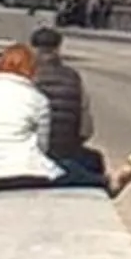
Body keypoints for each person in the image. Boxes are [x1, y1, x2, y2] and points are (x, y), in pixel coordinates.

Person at [0, 43, 131, 259]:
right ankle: (106, 182)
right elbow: (42, 147)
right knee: (69, 170)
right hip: (26, 173)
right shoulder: (38, 99)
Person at [28, 26, 104, 176]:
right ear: (58, 48)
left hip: (30, 154)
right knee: (95, 161)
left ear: (32, 49)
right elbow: (86, 130)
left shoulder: (25, 76)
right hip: (65, 154)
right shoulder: (73, 77)